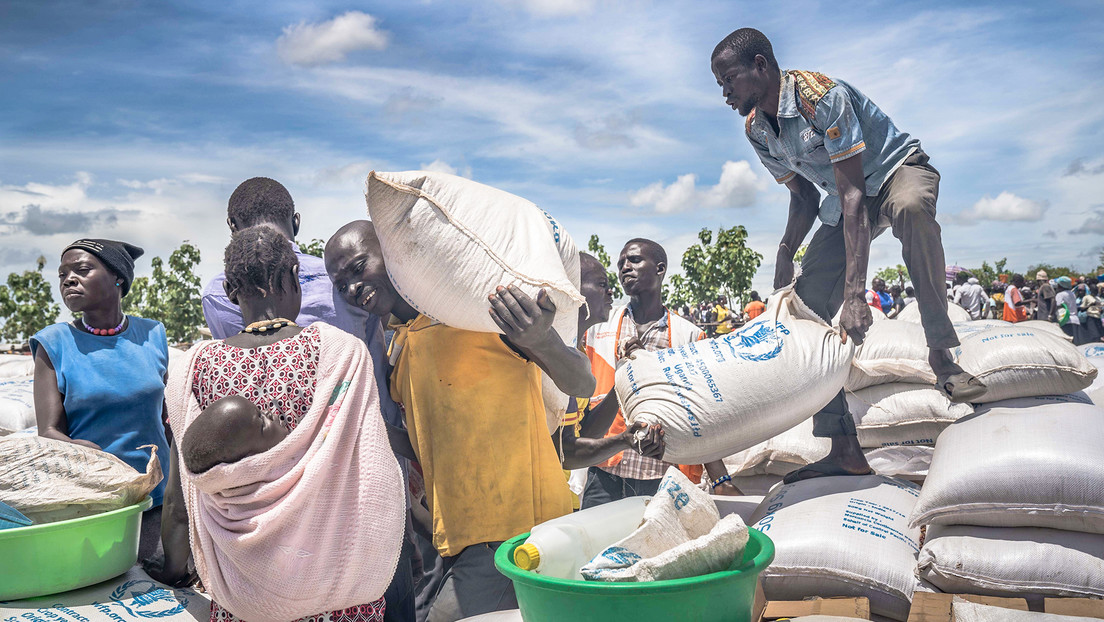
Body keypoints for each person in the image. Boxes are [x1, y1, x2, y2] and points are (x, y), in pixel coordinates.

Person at [711, 27, 987, 483]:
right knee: (804, 312)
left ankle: (941, 355)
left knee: (912, 209)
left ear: (760, 66)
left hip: (893, 172)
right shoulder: (757, 128)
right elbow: (802, 197)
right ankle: (844, 447)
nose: (725, 95)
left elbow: (856, 190)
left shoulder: (820, 98)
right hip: (844, 202)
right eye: (720, 86)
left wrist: (856, 294)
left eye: (729, 81)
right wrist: (785, 249)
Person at [325, 221, 591, 622]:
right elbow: (428, 443)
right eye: (339, 282)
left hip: (515, 534)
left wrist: (541, 340)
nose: (351, 288)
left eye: (359, 267)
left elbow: (581, 381)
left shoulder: (473, 315)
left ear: (393, 251)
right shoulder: (399, 343)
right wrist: (365, 429)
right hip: (459, 540)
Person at [200, 178, 414, 620]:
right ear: (296, 222)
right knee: (382, 569)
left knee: (289, 578)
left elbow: (246, 367)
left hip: (267, 477)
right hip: (371, 456)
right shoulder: (346, 276)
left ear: (230, 226)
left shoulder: (220, 294)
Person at [32, 239, 170, 563]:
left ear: (118, 278)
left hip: (156, 497)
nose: (68, 279)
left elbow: (166, 419)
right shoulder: (53, 343)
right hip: (95, 496)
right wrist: (86, 453)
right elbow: (48, 431)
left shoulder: (153, 334)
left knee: (173, 570)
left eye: (81, 270)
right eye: (62, 274)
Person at [579, 238, 740, 508]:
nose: (624, 268)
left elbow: (700, 411)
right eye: (621, 264)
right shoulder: (599, 327)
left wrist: (720, 479)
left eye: (634, 260)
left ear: (660, 269)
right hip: (605, 470)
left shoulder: (688, 335)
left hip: (663, 477)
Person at [1055, 276, 1087, 345]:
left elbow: (1058, 306)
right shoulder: (1072, 294)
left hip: (1066, 321)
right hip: (1075, 320)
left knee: (1067, 344)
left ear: (1061, 285)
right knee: (1075, 343)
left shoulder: (1060, 295)